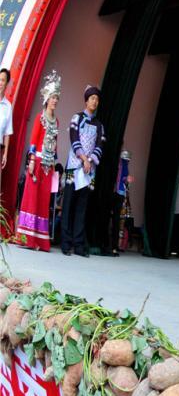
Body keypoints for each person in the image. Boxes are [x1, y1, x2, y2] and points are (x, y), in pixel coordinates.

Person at [15, 72, 59, 251]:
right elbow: (33, 141)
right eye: (53, 97)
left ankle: (40, 240)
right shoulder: (40, 118)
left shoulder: (56, 121)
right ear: (47, 99)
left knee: (43, 200)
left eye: (57, 98)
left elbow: (55, 144)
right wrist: (32, 160)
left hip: (48, 166)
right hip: (38, 162)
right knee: (32, 197)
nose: (55, 100)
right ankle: (27, 238)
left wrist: (55, 163)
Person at [61, 85, 105, 257]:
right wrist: (84, 158)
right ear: (86, 101)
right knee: (68, 204)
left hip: (88, 171)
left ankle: (79, 245)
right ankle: (65, 243)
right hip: (74, 167)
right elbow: (73, 138)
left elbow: (100, 145)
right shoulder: (76, 118)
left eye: (97, 99)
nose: (95, 102)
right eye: (92, 98)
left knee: (82, 207)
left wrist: (90, 161)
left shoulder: (99, 125)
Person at [107, 150, 132, 256]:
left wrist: (127, 179)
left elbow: (124, 179)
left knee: (116, 220)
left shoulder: (125, 165)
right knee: (112, 219)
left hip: (119, 193)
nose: (127, 162)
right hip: (113, 193)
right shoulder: (115, 162)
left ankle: (114, 246)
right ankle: (110, 246)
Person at [0, 68, 14, 186]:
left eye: (2, 80)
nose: (0, 82)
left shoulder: (8, 106)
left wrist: (5, 154)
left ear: (7, 83)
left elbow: (7, 133)